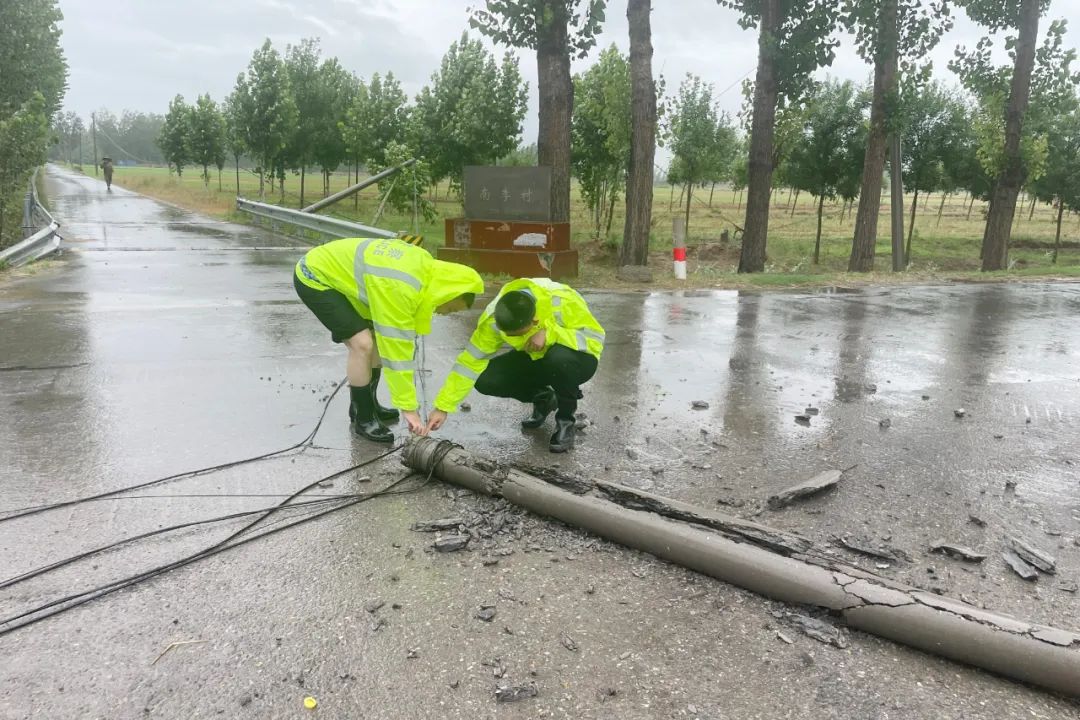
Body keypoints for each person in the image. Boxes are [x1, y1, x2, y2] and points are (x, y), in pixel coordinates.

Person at [294, 236, 484, 443]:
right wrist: (409, 410)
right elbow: (397, 353)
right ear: (449, 293)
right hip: (315, 276)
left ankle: (368, 405)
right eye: (449, 309)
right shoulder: (403, 288)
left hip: (340, 277)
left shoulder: (425, 272)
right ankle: (363, 418)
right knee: (362, 344)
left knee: (376, 339)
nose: (442, 313)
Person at [427, 278, 604, 453]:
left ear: (534, 320)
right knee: (485, 378)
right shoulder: (494, 319)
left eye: (518, 334)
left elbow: (593, 340)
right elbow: (468, 363)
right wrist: (442, 408)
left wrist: (550, 333)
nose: (513, 339)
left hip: (576, 360)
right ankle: (544, 399)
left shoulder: (562, 300)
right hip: (535, 356)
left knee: (558, 359)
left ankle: (566, 421)